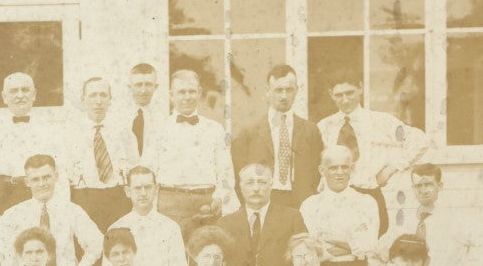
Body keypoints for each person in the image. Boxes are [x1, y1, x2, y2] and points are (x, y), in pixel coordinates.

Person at [315, 78, 432, 235]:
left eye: (350, 93)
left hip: (368, 193)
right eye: (339, 95)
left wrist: (391, 168)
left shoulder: (380, 121)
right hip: (335, 198)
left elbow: (420, 140)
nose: (345, 100)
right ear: (331, 95)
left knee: (371, 245)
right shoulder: (324, 126)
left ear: (360, 88)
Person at [216, 162, 308, 266]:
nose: (256, 188)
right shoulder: (225, 224)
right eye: (250, 182)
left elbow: (303, 258)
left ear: (271, 185)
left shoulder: (292, 217)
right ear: (240, 186)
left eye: (262, 182)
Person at [145, 70, 238, 231]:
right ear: (171, 95)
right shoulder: (158, 129)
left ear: (199, 93)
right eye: (181, 92)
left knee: (204, 252)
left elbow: (226, 173)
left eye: (191, 92)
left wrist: (219, 198)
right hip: (169, 203)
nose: (187, 97)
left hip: (205, 203)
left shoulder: (215, 129)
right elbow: (148, 171)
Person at [229, 65, 323, 208]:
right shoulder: (249, 132)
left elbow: (316, 173)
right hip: (263, 203)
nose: (284, 96)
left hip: (301, 204)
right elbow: (238, 176)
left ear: (296, 90)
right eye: (278, 90)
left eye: (289, 90)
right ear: (268, 91)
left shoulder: (310, 130)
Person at [0, 71, 63, 213]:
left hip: (38, 191)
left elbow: (59, 169)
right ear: (4, 97)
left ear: (34, 95)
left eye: (25, 90)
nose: (20, 95)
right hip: (2, 196)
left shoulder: (50, 129)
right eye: (14, 91)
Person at [3, 154, 104, 266]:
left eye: (46, 177)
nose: (42, 184)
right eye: (35, 179)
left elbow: (97, 243)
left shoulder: (71, 210)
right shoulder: (13, 214)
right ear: (27, 182)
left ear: (56, 177)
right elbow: (6, 253)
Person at [300, 145, 381, 266]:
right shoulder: (310, 205)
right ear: (322, 170)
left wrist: (328, 240)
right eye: (333, 168)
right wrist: (353, 243)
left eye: (345, 167)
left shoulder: (367, 202)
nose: (340, 173)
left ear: (352, 169)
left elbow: (369, 245)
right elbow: (314, 249)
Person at [63, 76, 135, 231]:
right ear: (83, 99)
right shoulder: (70, 133)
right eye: (93, 95)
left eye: (103, 95)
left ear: (110, 99)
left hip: (118, 198)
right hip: (84, 198)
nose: (98, 101)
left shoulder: (123, 132)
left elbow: (134, 166)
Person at [104, 166, 188, 266]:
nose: (143, 193)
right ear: (127, 191)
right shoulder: (116, 228)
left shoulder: (170, 227)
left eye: (148, 187)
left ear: (156, 189)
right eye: (137, 188)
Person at [123, 63, 162, 164]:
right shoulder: (117, 118)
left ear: (156, 87)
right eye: (138, 85)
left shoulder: (163, 118)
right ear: (129, 87)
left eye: (148, 84)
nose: (143, 90)